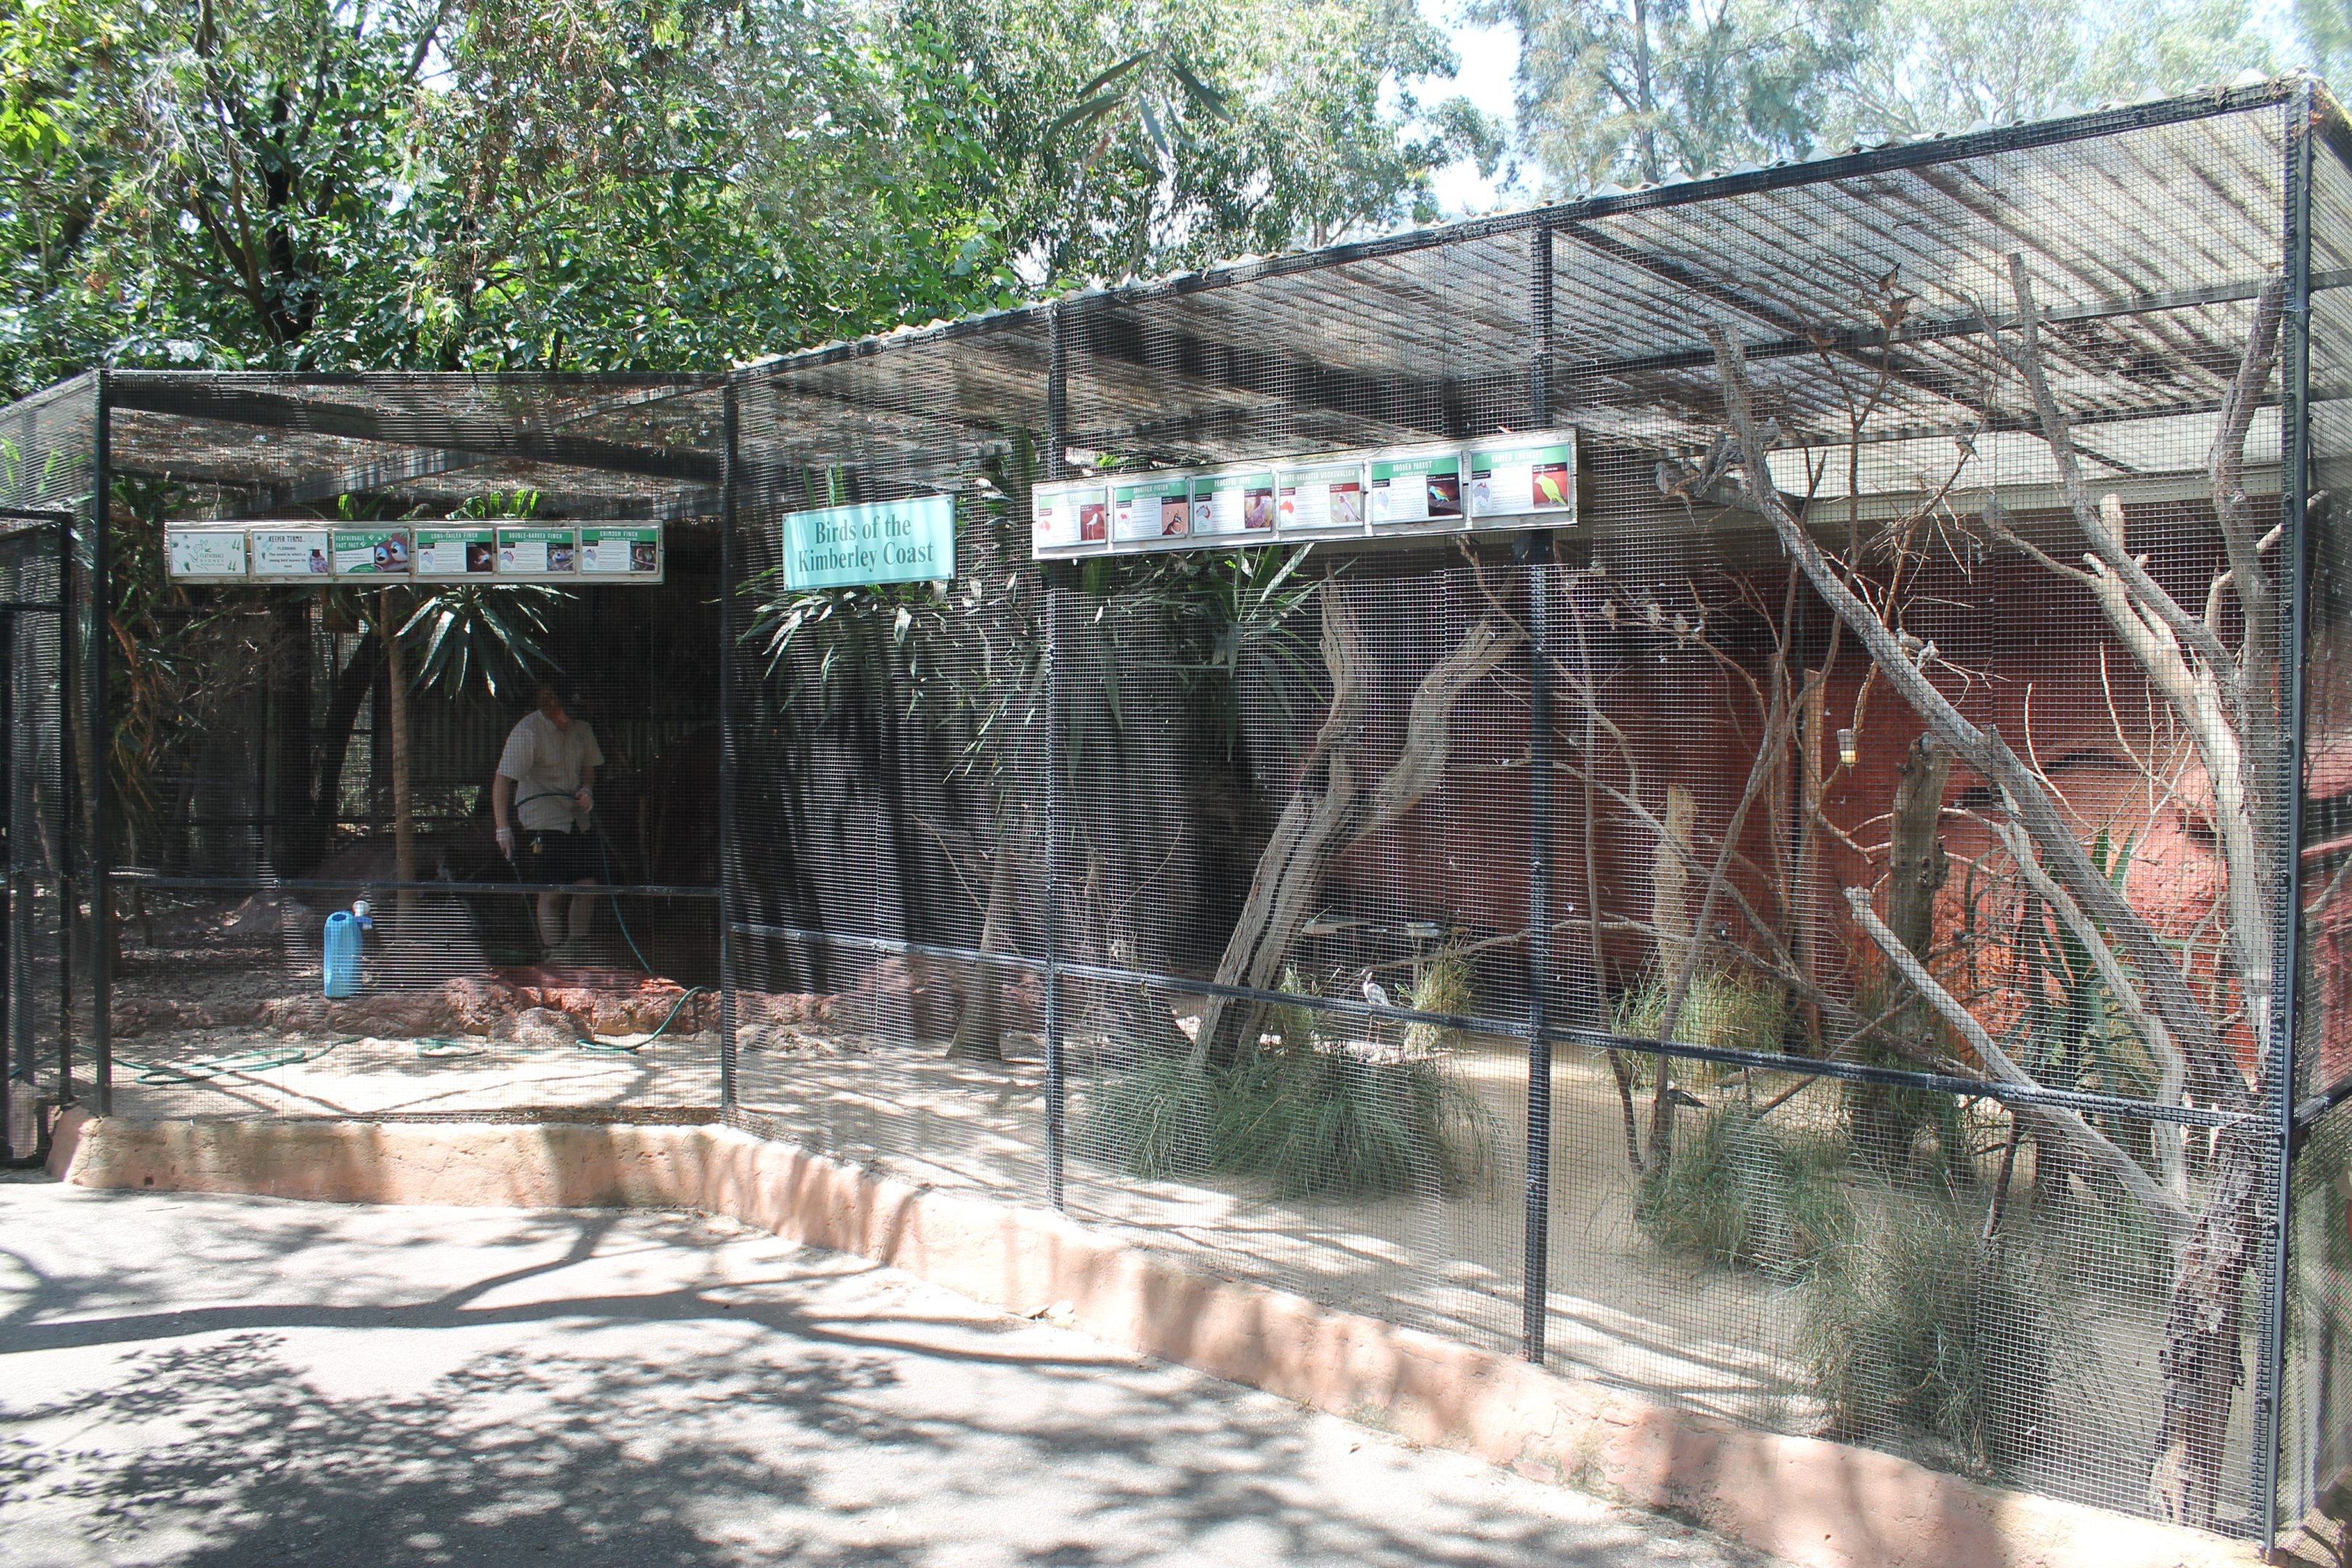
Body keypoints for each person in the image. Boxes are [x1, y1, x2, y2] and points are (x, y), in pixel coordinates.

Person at [492, 679, 605, 963]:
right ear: (550, 705)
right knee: (551, 891)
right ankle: (554, 954)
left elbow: (589, 770)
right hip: (541, 818)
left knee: (587, 887)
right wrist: (503, 828)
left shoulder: (582, 728)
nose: (570, 718)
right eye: (565, 712)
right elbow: (502, 780)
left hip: (577, 817)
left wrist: (587, 790)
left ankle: (577, 947)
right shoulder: (528, 731)